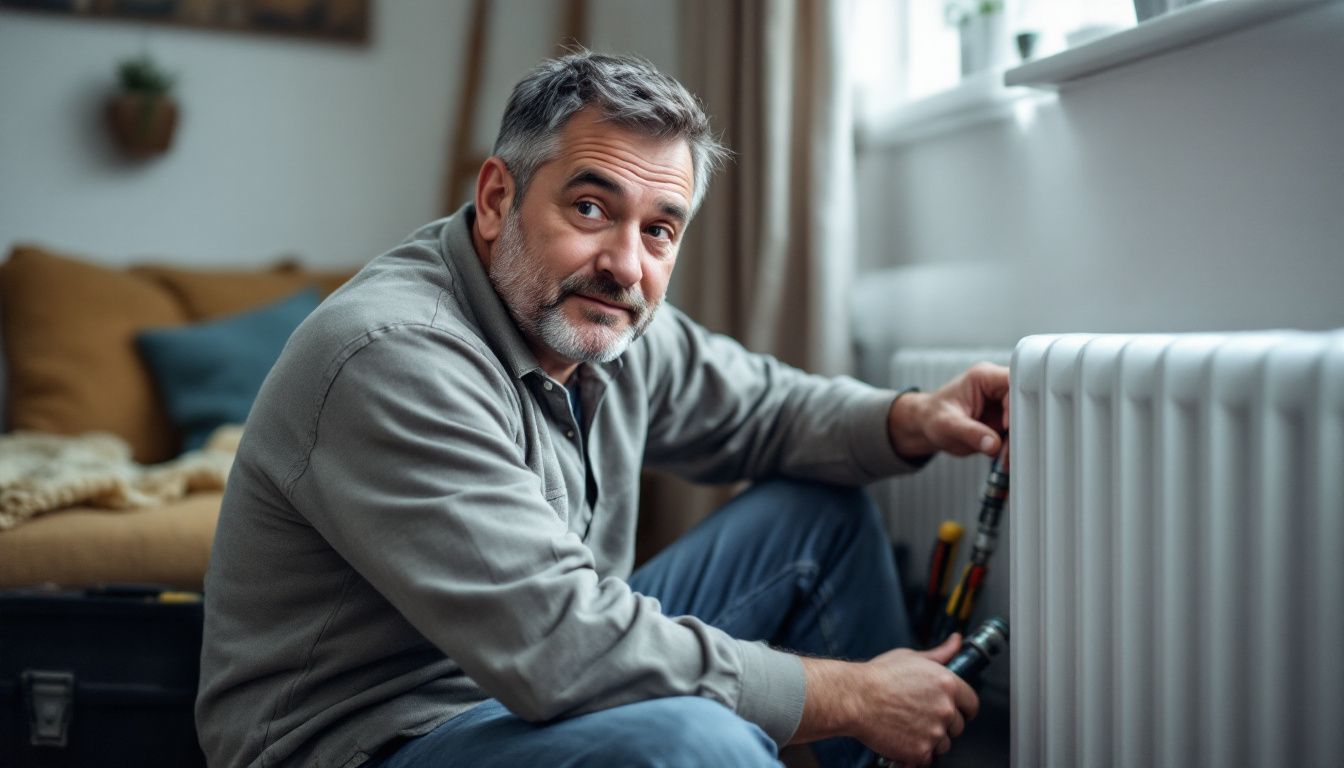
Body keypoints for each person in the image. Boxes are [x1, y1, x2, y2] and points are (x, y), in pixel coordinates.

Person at [196, 51, 1009, 768]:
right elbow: (562, 646)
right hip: (379, 736)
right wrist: (857, 696)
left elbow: (766, 408)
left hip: (518, 686)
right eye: (590, 209)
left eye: (660, 230)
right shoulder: (389, 355)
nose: (626, 263)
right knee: (697, 743)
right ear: (494, 199)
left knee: (820, 520)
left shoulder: (604, 321)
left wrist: (914, 415)